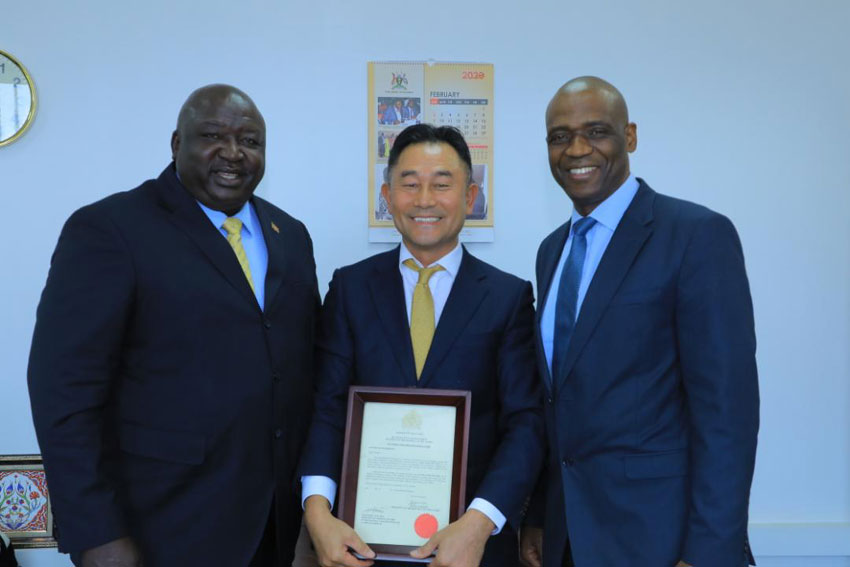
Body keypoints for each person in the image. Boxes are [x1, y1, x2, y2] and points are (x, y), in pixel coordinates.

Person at [27, 84, 320, 567]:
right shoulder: (111, 229)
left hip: (278, 528)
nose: (233, 153)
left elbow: (302, 371)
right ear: (176, 144)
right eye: (213, 136)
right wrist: (96, 534)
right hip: (163, 530)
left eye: (250, 141)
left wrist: (316, 510)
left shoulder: (290, 235)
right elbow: (63, 391)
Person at [520, 77, 759, 567]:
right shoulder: (552, 252)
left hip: (661, 541)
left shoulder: (695, 236)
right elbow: (559, 402)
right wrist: (542, 514)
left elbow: (727, 415)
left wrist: (709, 553)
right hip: (570, 539)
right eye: (560, 136)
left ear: (629, 136)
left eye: (597, 131)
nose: (577, 149)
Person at [299, 124, 544, 567]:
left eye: (442, 184)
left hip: (472, 548)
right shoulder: (351, 288)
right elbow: (327, 408)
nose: (425, 199)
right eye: (409, 184)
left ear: (470, 198)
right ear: (387, 196)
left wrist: (479, 523)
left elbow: (525, 424)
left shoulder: (507, 298)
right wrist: (317, 512)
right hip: (359, 544)